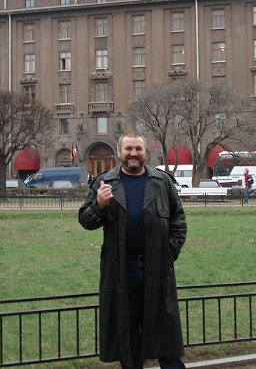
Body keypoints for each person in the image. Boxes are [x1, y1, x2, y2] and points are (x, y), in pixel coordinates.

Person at [78, 131, 187, 369]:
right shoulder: (105, 182)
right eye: (128, 149)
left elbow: (179, 222)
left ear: (145, 152)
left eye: (138, 148)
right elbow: (85, 220)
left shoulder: (162, 182)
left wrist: (167, 255)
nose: (133, 153)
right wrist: (99, 205)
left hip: (157, 268)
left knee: (165, 333)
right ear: (119, 152)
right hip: (121, 271)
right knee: (128, 336)